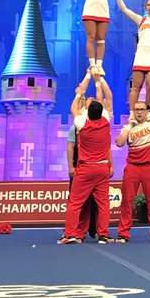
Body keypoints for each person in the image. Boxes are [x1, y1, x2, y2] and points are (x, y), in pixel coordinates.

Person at [58, 72, 114, 245]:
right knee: (103, 203)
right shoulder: (106, 120)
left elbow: (73, 108)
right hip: (102, 168)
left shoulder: (81, 123)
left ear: (88, 112)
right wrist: (100, 79)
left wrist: (79, 93)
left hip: (86, 168)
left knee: (75, 202)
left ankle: (70, 234)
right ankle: (103, 235)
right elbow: (108, 96)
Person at [114, 90, 150, 243]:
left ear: (147, 112)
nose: (139, 112)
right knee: (126, 201)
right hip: (132, 167)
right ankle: (123, 233)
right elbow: (119, 143)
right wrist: (128, 126)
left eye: (142, 109)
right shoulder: (129, 127)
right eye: (136, 109)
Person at [66, 112, 99, 241]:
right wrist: (70, 167)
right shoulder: (75, 128)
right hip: (79, 168)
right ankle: (73, 231)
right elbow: (70, 148)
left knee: (96, 202)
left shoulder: (101, 127)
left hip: (96, 168)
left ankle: (94, 230)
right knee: (76, 202)